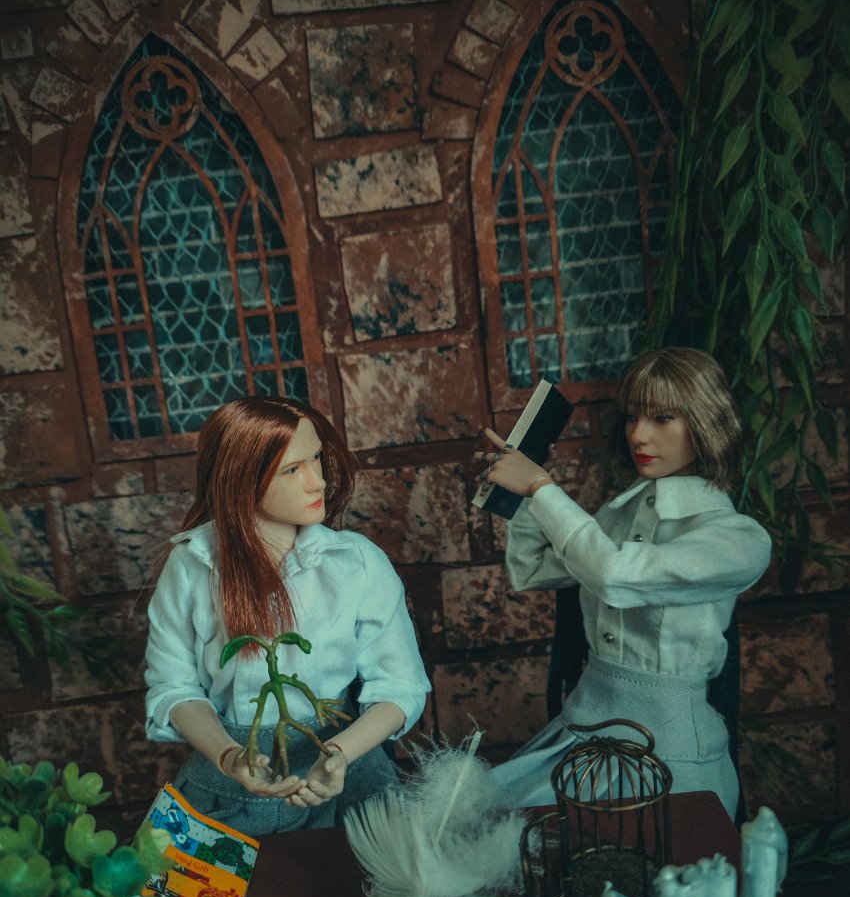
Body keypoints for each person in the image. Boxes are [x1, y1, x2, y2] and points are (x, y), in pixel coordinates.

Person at [478, 348, 772, 820]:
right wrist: (525, 490)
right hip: (580, 734)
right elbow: (532, 568)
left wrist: (540, 487)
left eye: (662, 418)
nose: (639, 434)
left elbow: (613, 576)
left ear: (706, 423)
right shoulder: (620, 514)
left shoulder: (737, 539)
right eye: (633, 416)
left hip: (670, 755)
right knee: (479, 828)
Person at [145, 396, 430, 835]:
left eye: (316, 459)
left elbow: (400, 686)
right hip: (228, 786)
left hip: (347, 778)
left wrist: (340, 754)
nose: (318, 481)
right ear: (241, 478)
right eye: (292, 469)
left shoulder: (356, 562)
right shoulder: (193, 563)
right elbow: (173, 686)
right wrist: (229, 755)